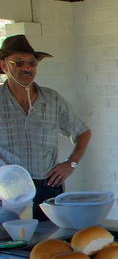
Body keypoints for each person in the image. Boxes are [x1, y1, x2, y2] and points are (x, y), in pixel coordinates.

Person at [0, 35, 91, 221]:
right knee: (10, 244)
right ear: (4, 66)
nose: (26, 68)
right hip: (7, 190)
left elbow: (83, 132)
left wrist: (71, 163)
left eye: (32, 63)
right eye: (18, 62)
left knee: (50, 241)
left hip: (47, 185)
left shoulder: (52, 99)